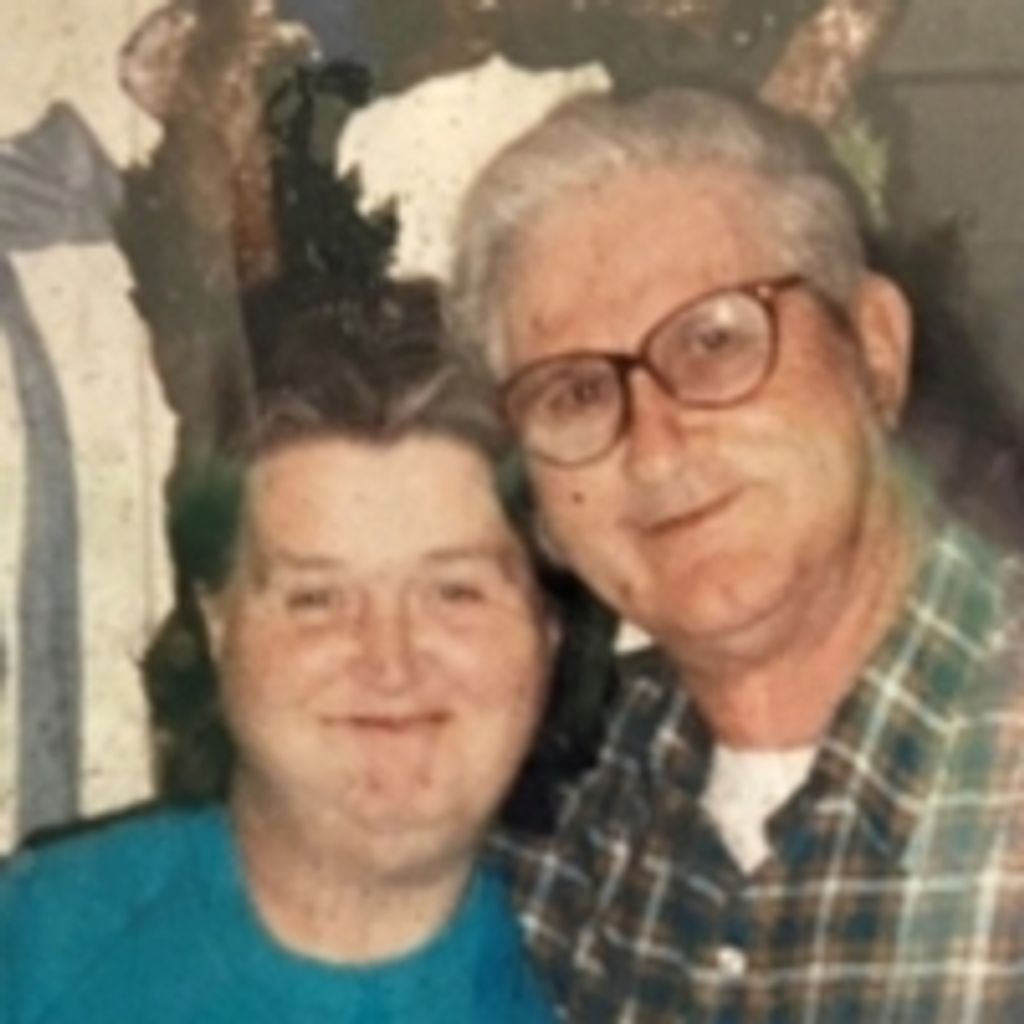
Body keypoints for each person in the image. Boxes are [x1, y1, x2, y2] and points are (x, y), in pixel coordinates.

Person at [448, 88, 1024, 1021]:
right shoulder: (542, 828)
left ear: (875, 352)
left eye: (714, 341)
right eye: (575, 393)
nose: (656, 449)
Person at [0, 282, 558, 1023]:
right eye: (316, 599)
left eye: (455, 592)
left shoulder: (622, 975)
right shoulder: (37, 946)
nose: (390, 664)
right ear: (217, 624)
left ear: (550, 625)